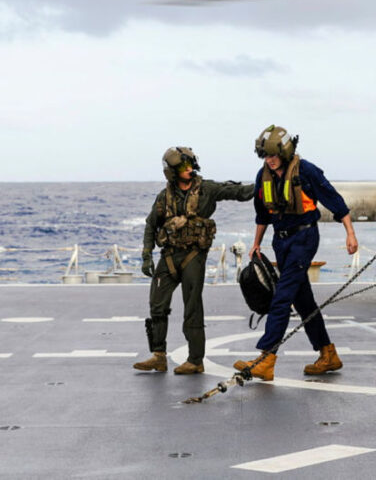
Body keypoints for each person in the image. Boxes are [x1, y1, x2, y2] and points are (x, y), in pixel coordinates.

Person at [234, 125, 358, 381]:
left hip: (304, 238)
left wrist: (350, 233)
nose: (269, 160)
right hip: (281, 241)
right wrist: (257, 243)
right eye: (265, 156)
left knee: (281, 298)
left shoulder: (307, 171)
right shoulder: (263, 175)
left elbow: (335, 201)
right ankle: (328, 354)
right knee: (303, 301)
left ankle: (266, 359)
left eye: (273, 155)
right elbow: (262, 214)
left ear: (286, 151)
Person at [133, 147, 254, 375]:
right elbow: (151, 224)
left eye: (189, 165)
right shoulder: (164, 196)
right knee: (157, 305)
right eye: (182, 167)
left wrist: (265, 185)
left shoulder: (207, 189)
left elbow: (238, 192)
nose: (188, 170)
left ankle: (195, 360)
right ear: (172, 171)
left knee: (192, 308)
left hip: (193, 256)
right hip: (168, 256)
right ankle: (158, 355)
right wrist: (147, 254)